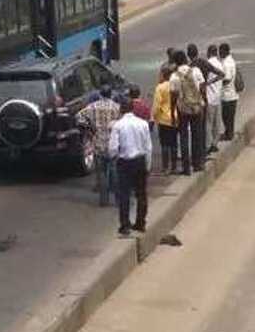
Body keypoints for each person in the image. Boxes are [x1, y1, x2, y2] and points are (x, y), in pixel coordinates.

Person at [108, 97, 152, 236]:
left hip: (124, 162)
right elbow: (148, 147)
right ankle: (140, 223)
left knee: (124, 195)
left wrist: (114, 157)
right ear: (132, 108)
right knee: (141, 194)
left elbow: (113, 148)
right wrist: (148, 165)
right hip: (140, 161)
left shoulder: (118, 125)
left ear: (121, 109)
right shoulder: (142, 124)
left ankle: (125, 225)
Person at [77, 84, 122, 207]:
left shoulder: (92, 107)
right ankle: (118, 200)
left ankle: (104, 200)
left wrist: (90, 129)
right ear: (111, 94)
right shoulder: (117, 107)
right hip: (113, 144)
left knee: (102, 173)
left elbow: (79, 117)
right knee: (115, 172)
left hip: (97, 143)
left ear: (100, 94)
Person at [171, 47, 205, 173]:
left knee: (184, 137)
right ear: (186, 59)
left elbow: (173, 97)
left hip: (183, 109)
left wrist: (173, 112)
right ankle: (198, 164)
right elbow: (202, 87)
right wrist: (202, 102)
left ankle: (186, 168)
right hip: (196, 107)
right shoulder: (195, 71)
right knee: (197, 135)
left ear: (176, 62)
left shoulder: (174, 76)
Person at [152, 64, 179, 174]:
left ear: (164, 75)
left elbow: (157, 106)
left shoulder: (160, 87)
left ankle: (165, 167)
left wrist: (154, 117)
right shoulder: (176, 85)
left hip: (164, 119)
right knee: (174, 143)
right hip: (176, 117)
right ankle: (174, 167)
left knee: (164, 144)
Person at [204, 43, 225, 154]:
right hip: (218, 97)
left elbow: (204, 80)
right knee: (217, 123)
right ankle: (215, 144)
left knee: (208, 123)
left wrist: (207, 83)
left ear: (209, 53)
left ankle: (208, 145)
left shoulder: (208, 64)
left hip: (209, 97)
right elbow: (222, 76)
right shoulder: (220, 64)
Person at [218, 41, 239, 140]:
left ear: (225, 51)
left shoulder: (227, 63)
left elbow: (227, 79)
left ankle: (229, 134)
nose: (219, 53)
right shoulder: (230, 61)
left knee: (226, 116)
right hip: (231, 94)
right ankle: (228, 133)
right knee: (228, 116)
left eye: (221, 51)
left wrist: (217, 84)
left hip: (228, 95)